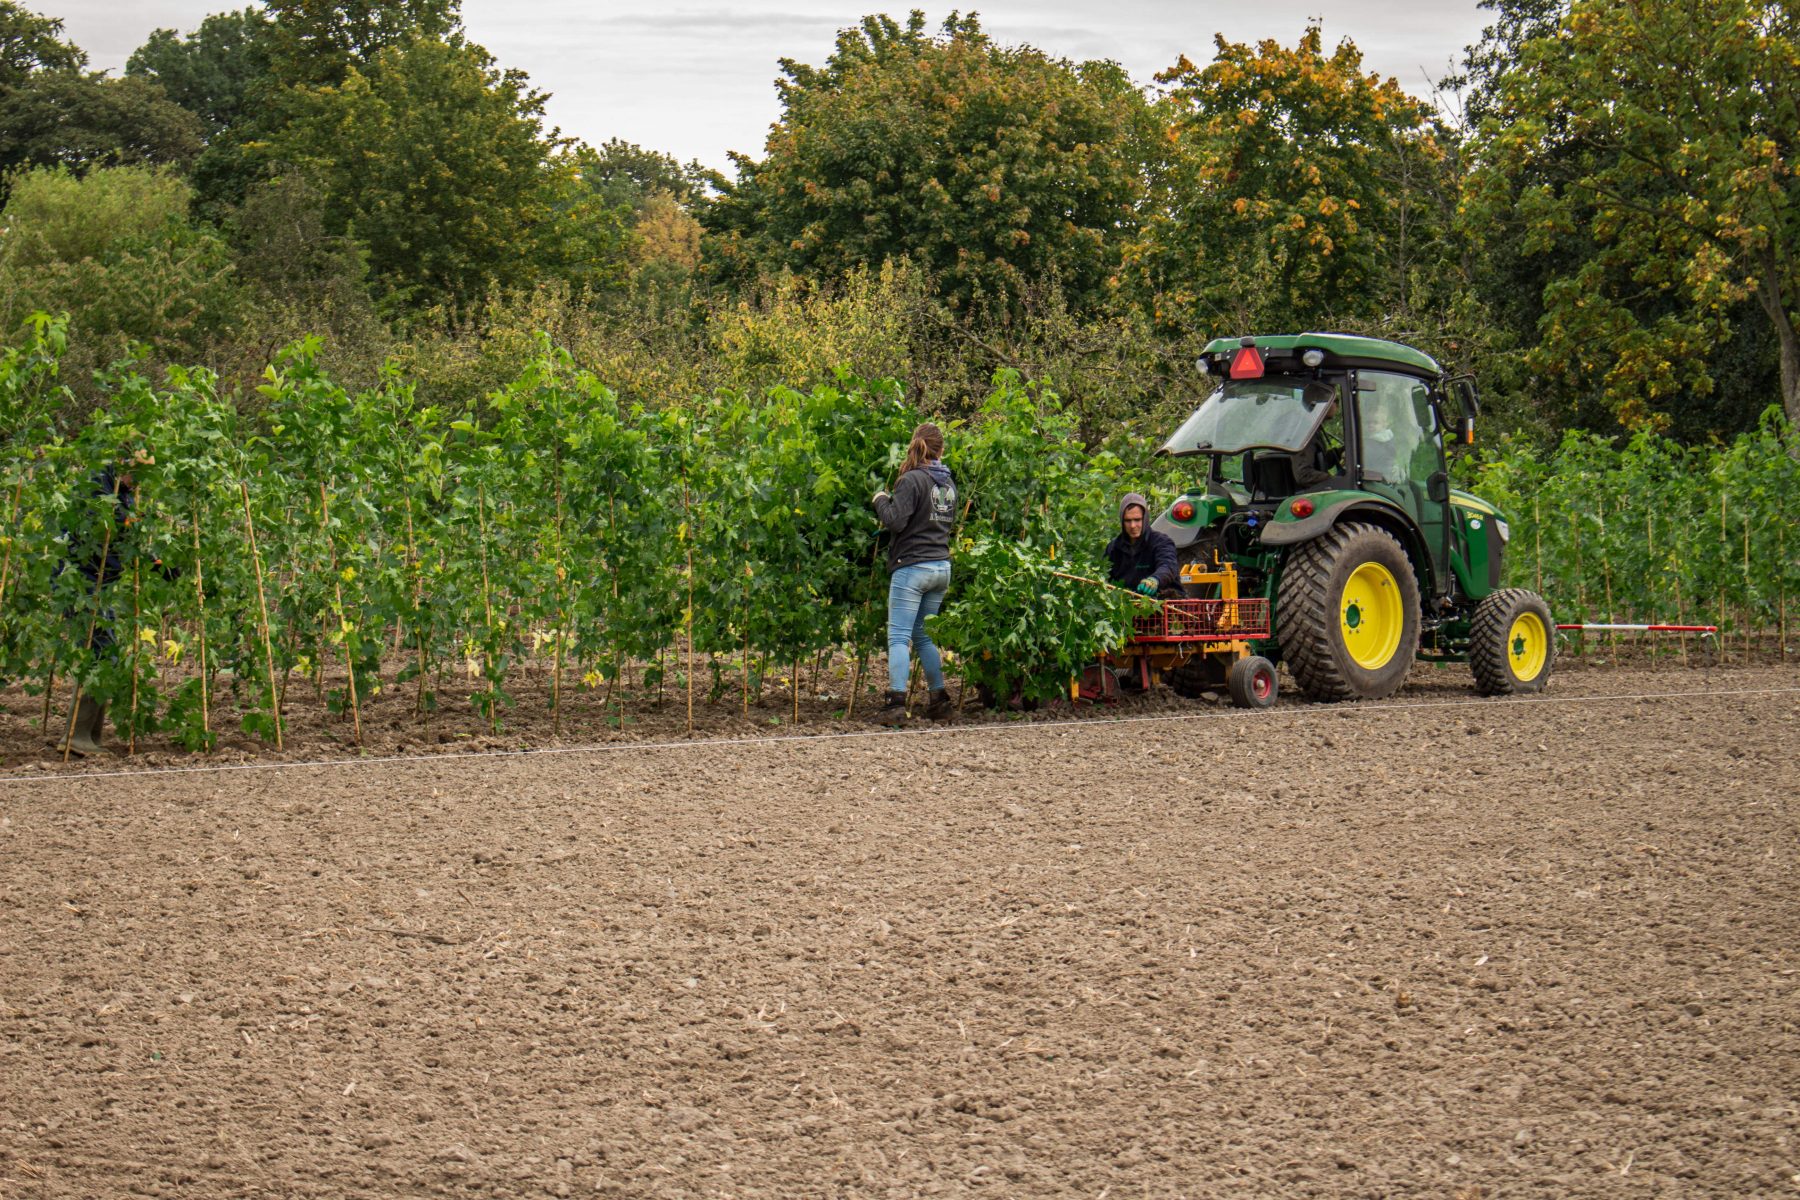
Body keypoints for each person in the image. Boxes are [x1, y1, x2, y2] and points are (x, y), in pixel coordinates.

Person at [871, 423, 957, 724]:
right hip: (941, 567)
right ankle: (939, 700)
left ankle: (895, 703)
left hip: (913, 567)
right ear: (940, 450)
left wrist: (880, 500)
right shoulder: (947, 483)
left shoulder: (911, 480)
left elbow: (895, 521)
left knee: (898, 636)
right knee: (924, 634)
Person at [1105, 493, 1179, 597]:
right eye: (1128, 521)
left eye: (1137, 520)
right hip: (1129, 606)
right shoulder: (1114, 548)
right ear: (1122, 521)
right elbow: (1106, 576)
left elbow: (1168, 566)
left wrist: (1155, 580)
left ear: (1145, 519)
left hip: (1164, 604)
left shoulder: (1161, 542)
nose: (1133, 525)